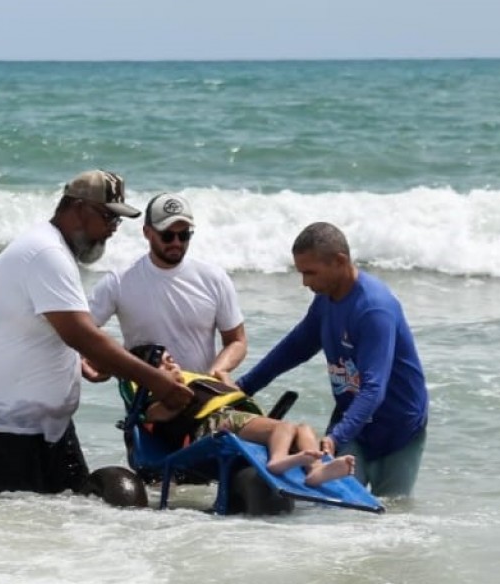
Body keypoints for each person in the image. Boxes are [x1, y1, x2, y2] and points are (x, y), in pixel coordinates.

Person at [0, 170, 193, 495]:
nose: (112, 229)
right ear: (78, 208)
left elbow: (51, 328)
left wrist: (78, 361)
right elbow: (81, 334)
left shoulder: (53, 249)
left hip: (44, 423)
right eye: (108, 217)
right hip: (7, 420)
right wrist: (156, 381)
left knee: (68, 515)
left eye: (117, 221)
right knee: (20, 529)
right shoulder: (47, 254)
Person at [234, 222, 429, 498]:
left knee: (389, 516)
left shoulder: (373, 309)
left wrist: (336, 437)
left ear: (339, 261)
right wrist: (243, 387)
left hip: (399, 430)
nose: (305, 282)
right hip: (353, 426)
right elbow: (294, 348)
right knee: (333, 503)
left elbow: (374, 388)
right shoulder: (326, 301)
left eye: (310, 273)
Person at [133, 344, 355, 487]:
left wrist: (224, 381)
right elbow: (156, 416)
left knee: (304, 428)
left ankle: (316, 470)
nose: (171, 364)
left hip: (229, 419)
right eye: (161, 365)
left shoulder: (195, 381)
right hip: (211, 428)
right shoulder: (157, 400)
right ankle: (277, 460)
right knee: (282, 427)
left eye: (171, 359)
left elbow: (234, 396)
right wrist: (171, 389)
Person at [88, 192, 247, 381]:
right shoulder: (119, 281)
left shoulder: (214, 278)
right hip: (145, 397)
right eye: (167, 235)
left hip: (201, 396)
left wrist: (214, 374)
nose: (176, 243)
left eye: (184, 235)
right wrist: (102, 363)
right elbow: (80, 332)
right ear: (147, 232)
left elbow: (237, 341)